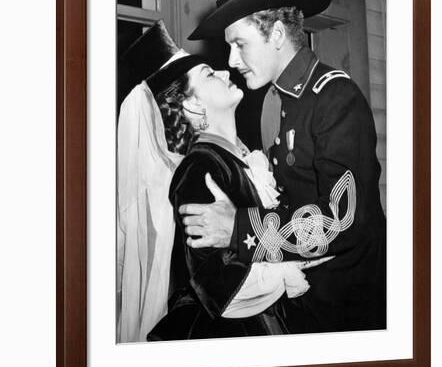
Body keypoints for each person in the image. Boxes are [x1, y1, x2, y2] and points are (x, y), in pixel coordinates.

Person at [184, 0, 387, 334]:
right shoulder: (269, 102)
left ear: (277, 34)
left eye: (239, 44)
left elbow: (344, 221)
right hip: (299, 305)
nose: (231, 60)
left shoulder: (335, 98)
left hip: (350, 311)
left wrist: (239, 229)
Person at [116, 21, 332, 343]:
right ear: (193, 104)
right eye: (209, 75)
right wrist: (285, 272)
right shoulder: (198, 170)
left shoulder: (245, 156)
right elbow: (213, 282)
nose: (226, 72)